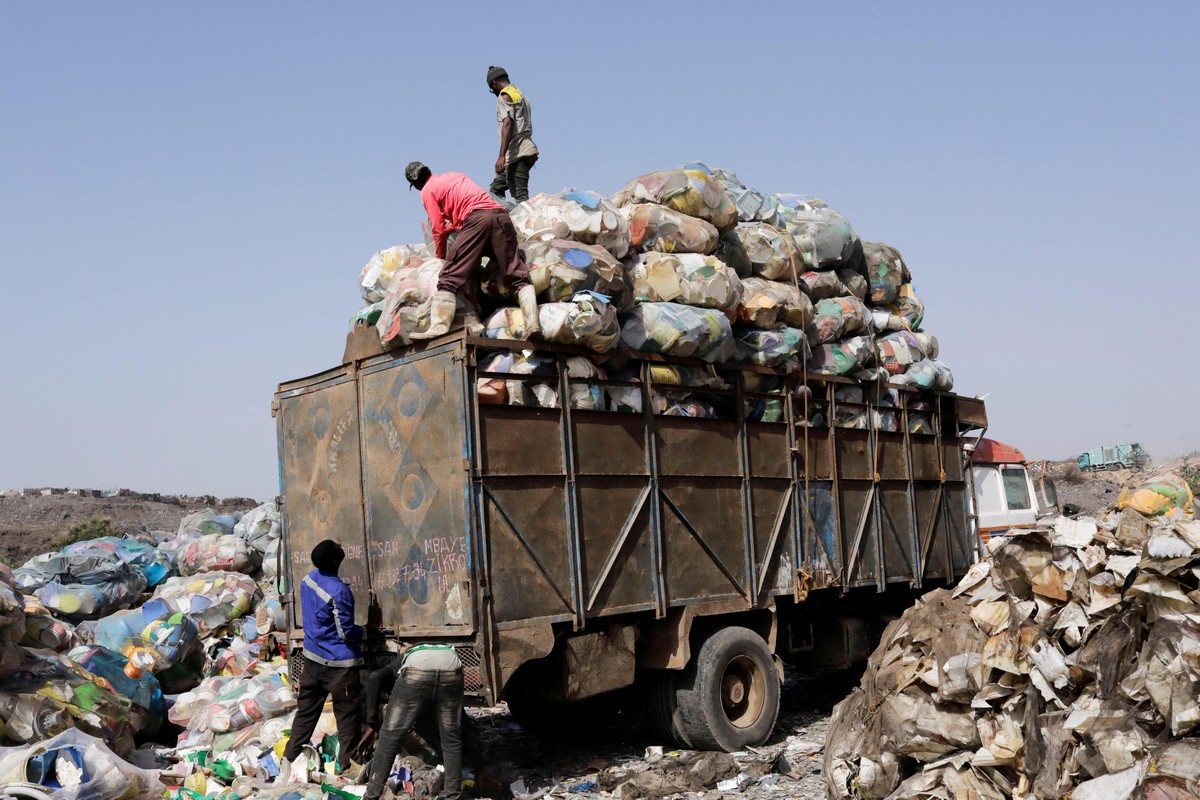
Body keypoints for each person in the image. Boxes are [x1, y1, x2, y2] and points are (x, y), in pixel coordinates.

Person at [405, 161, 539, 340]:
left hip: (476, 220)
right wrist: (454, 227)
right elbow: (471, 206)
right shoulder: (454, 175)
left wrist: (441, 258)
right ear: (428, 171)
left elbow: (437, 228)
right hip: (501, 217)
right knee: (516, 274)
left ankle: (438, 328)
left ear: (415, 184)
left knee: (449, 276)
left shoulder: (427, 191)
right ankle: (533, 325)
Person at [282, 540, 364, 774]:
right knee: (347, 719)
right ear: (337, 561)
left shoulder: (308, 580)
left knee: (305, 714)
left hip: (312, 659)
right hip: (339, 666)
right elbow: (346, 631)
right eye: (338, 546)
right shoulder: (339, 591)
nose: (341, 543)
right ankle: (348, 769)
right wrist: (365, 631)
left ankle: (288, 761)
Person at [358, 643, 466, 800]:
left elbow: (375, 677)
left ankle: (371, 796)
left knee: (389, 737)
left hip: (417, 670)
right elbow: (460, 723)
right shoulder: (441, 649)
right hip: (452, 666)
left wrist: (372, 724)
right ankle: (453, 796)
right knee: (451, 741)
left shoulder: (405, 657)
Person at [486, 66, 539, 203]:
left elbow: (507, 124)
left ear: (494, 83)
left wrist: (501, 156)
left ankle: (524, 221)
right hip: (524, 150)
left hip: (518, 153)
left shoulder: (504, 96)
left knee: (520, 198)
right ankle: (506, 219)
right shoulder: (519, 94)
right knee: (496, 190)